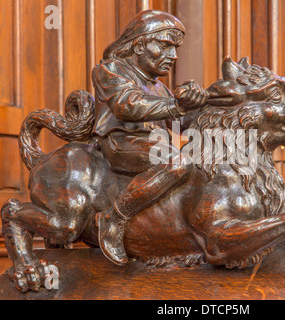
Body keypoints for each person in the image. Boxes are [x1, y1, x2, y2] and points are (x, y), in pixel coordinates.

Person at [92, 10, 207, 265]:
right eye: (165, 46)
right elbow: (128, 105)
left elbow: (179, 126)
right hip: (121, 143)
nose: (174, 56)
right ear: (140, 43)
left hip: (155, 143)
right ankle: (113, 219)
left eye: (175, 48)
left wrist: (197, 105)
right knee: (177, 163)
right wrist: (176, 104)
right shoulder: (111, 69)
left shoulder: (157, 85)